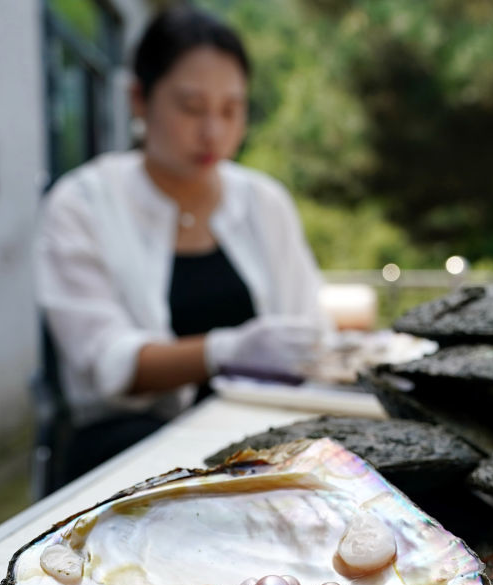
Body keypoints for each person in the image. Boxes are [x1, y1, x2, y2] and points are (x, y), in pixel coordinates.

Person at [34, 7, 329, 490]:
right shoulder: (83, 202)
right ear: (138, 99)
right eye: (192, 108)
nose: (213, 131)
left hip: (261, 441)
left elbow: (307, 329)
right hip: (132, 447)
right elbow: (108, 363)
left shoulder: (264, 201)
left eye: (231, 110)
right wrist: (226, 349)